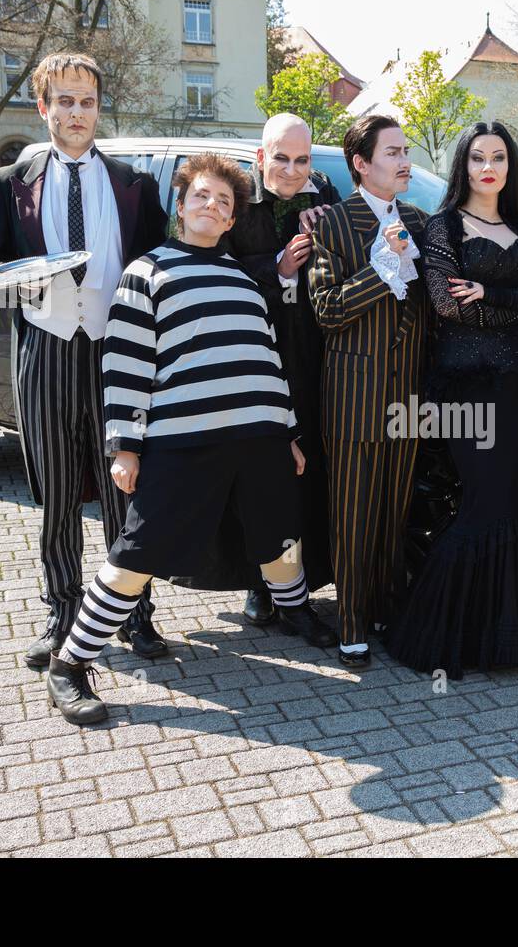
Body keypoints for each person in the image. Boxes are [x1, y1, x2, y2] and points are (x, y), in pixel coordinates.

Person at [44, 153, 333, 725]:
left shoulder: (244, 282)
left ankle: (294, 610)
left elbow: (267, 362)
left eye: (224, 202)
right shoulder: (146, 272)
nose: (213, 206)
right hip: (182, 439)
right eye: (202, 196)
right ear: (181, 206)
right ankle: (70, 664)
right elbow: (124, 364)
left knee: (279, 533)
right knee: (140, 549)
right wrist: (124, 446)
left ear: (232, 221)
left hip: (261, 437)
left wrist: (291, 436)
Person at [0, 53, 168, 667]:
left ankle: (134, 613)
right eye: (64, 100)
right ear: (44, 107)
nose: (76, 112)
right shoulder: (11, 183)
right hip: (47, 349)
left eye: (86, 101)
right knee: (55, 495)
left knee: (125, 495)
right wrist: (20, 281)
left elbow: (159, 267)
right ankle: (61, 613)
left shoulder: (133, 184)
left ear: (98, 108)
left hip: (118, 355)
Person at [386, 121, 518, 678]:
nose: (487, 167)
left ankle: (508, 637)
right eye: (477, 157)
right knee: (483, 503)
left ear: (510, 168)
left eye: (499, 157)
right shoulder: (443, 227)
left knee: (513, 504)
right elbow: (447, 305)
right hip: (466, 388)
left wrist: (492, 293)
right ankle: (443, 633)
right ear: (462, 165)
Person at [171, 113, 338, 647]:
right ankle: (258, 584)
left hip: (314, 356)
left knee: (307, 469)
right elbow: (213, 270)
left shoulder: (325, 195)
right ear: (261, 157)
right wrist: (279, 268)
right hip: (250, 355)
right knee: (259, 476)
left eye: (302, 159)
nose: (292, 170)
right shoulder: (235, 202)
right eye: (281, 158)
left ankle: (300, 582)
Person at [307, 115, 430, 668]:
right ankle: (350, 619)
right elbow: (327, 310)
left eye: (406, 151)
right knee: (353, 513)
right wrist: (382, 268)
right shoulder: (332, 222)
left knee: (394, 510)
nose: (405, 161)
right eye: (393, 152)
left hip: (408, 395)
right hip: (354, 394)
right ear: (361, 162)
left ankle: (382, 609)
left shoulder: (422, 224)